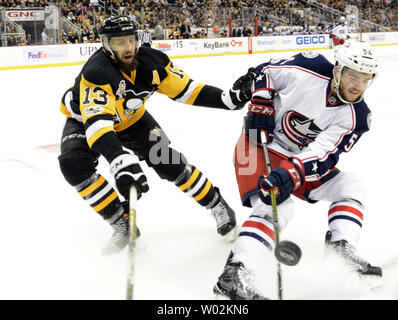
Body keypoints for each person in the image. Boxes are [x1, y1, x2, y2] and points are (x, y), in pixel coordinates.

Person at [58, 16, 255, 256]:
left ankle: (216, 203)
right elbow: (98, 126)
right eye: (120, 43)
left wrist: (226, 99)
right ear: (106, 45)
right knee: (73, 164)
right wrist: (118, 159)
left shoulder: (152, 62)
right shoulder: (97, 72)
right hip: (84, 120)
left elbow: (186, 90)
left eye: (130, 40)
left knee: (169, 163)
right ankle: (120, 221)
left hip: (132, 118)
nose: (128, 48)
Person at [213, 40, 383, 300]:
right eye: (352, 76)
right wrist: (261, 100)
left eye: (365, 80)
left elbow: (324, 154)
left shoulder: (357, 117)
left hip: (298, 161)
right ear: (337, 70)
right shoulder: (309, 66)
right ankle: (236, 273)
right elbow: (264, 72)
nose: (357, 86)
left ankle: (340, 245)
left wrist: (292, 172)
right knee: (278, 207)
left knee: (351, 186)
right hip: (257, 146)